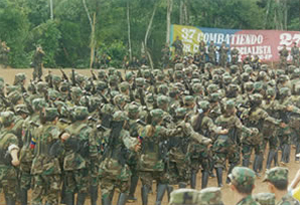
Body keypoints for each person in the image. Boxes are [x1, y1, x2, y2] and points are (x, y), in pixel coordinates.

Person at [30, 108, 63, 205]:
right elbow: (60, 136)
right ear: (55, 119)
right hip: (50, 166)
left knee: (37, 194)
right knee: (52, 195)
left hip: (37, 164)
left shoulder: (37, 129)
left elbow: (32, 146)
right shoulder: (53, 129)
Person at [0, 111, 21, 205]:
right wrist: (15, 159)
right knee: (10, 196)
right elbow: (12, 147)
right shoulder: (11, 136)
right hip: (7, 170)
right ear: (13, 123)